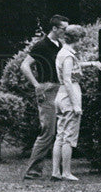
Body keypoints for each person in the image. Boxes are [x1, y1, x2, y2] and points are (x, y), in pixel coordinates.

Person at [51, 25, 101, 181]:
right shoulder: (68, 55)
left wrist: (93, 64)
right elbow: (67, 78)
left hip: (60, 94)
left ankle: (56, 171)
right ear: (77, 39)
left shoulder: (64, 53)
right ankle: (66, 172)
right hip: (69, 94)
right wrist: (76, 104)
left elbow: (73, 68)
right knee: (68, 136)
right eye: (81, 39)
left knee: (60, 135)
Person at [21, 15, 69, 179]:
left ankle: (60, 171)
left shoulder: (60, 45)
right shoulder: (41, 45)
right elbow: (25, 65)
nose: (66, 32)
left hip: (59, 89)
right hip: (48, 89)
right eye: (64, 29)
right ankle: (32, 172)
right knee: (48, 132)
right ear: (54, 28)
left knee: (61, 131)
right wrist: (37, 85)